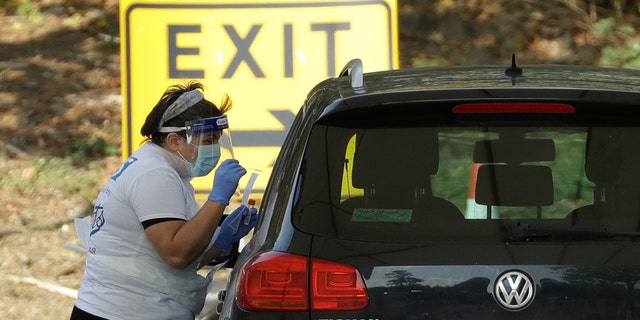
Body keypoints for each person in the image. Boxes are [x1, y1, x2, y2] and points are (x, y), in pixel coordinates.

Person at [70, 81, 257, 319]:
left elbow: (174, 264)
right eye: (208, 140)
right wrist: (217, 199)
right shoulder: (154, 174)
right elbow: (176, 255)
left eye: (218, 139)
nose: (215, 149)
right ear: (174, 141)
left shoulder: (167, 172)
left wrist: (221, 242)